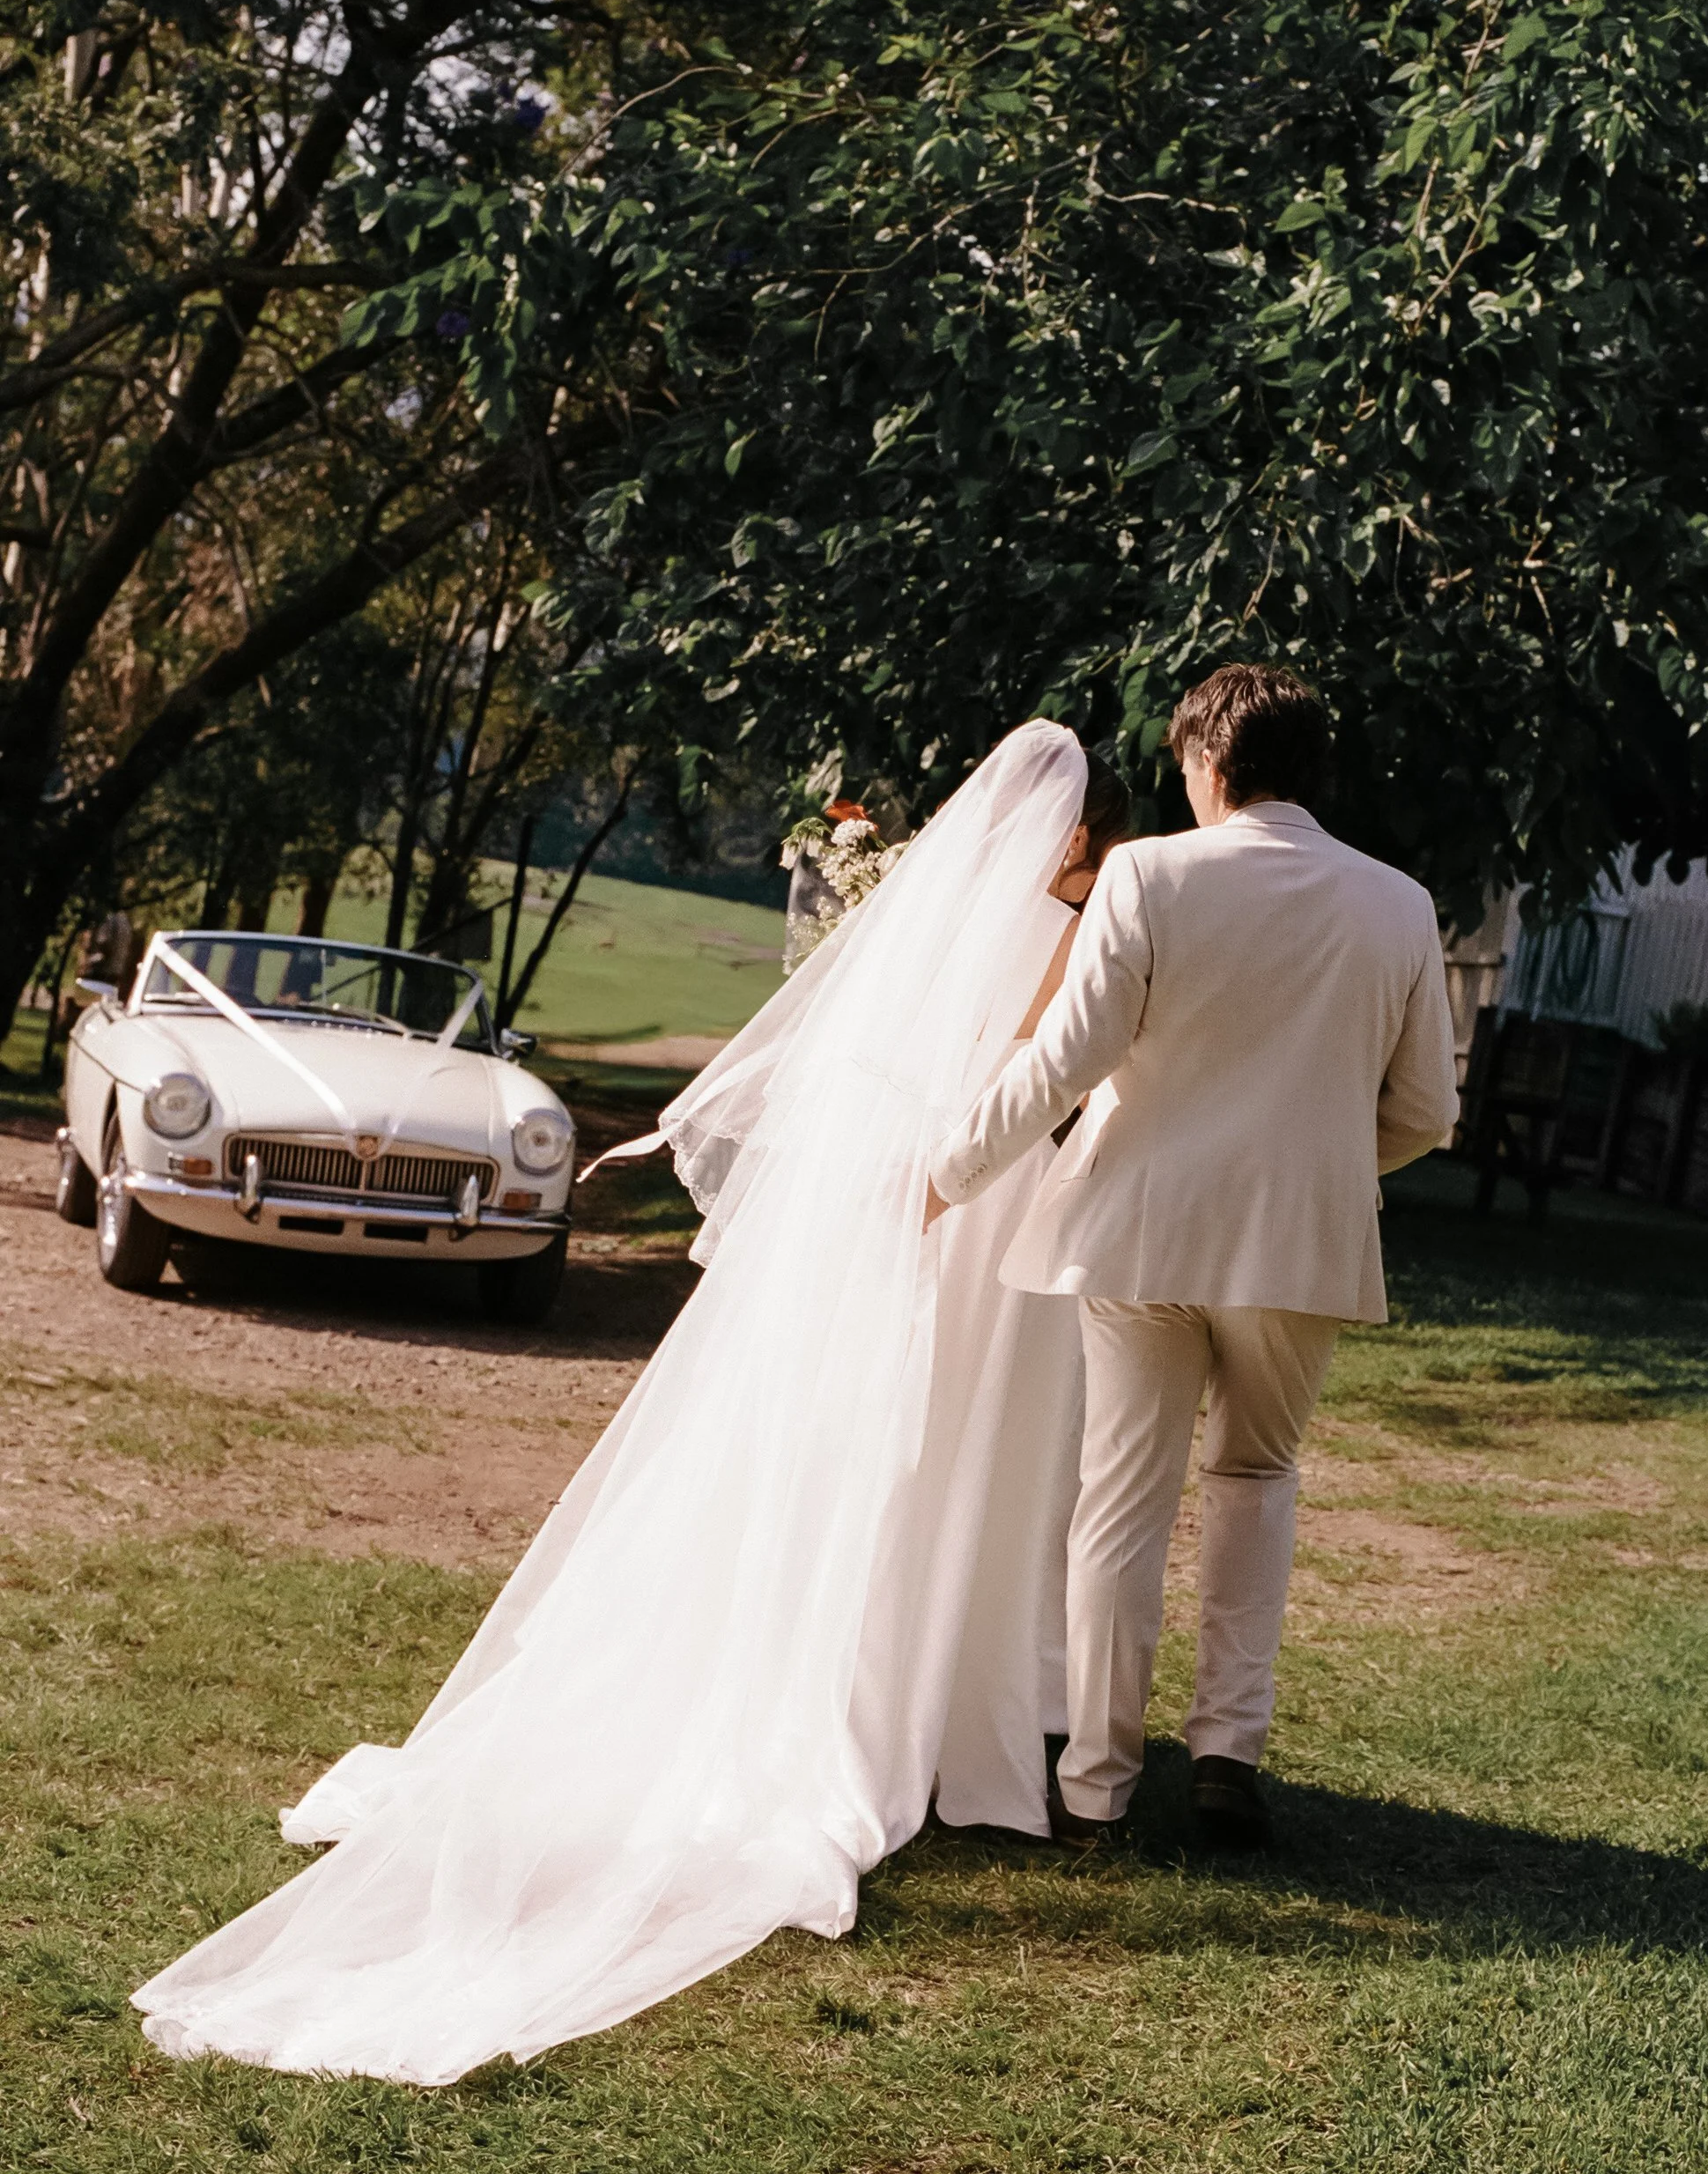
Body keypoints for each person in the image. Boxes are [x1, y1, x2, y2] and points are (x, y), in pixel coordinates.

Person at [133, 723, 1128, 2085]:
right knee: (949, 1466)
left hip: (902, 1193)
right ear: (1078, 839)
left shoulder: (939, 925)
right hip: (972, 1204)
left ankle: (864, 1674)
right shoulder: (1072, 926)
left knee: (851, 1464)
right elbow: (1046, 1075)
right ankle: (922, 1702)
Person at [928, 665, 1460, 1853]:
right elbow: (1426, 1108)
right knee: (1254, 1482)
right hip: (1301, 1243)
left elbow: (1062, 1060)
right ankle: (1227, 1755)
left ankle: (1098, 1788)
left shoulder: (1145, 872)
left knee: (1119, 1500)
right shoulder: (1398, 903)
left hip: (1139, 1227)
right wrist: (1321, 1159)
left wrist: (946, 1171)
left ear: (1208, 764)